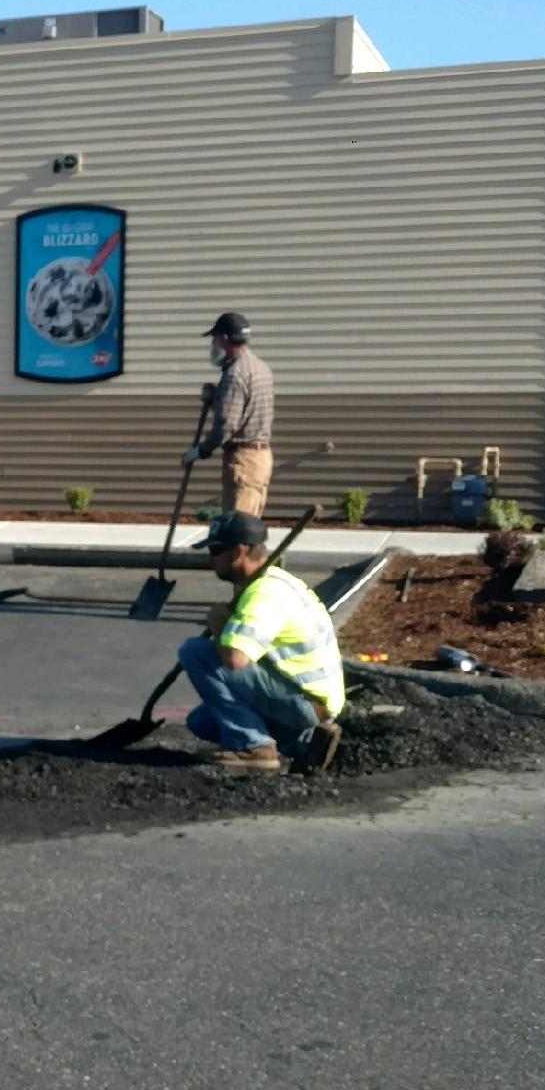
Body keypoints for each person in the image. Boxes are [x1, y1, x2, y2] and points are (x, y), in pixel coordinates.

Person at [177, 510, 344, 774]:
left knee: (195, 651)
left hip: (305, 702)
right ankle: (303, 742)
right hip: (309, 700)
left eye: (216, 550)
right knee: (202, 721)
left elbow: (236, 660)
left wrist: (219, 622)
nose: (211, 559)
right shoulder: (275, 582)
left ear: (239, 552)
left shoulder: (264, 594)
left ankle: (253, 747)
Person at [182, 312, 274, 517]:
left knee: (237, 533)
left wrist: (200, 451)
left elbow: (227, 424)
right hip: (261, 458)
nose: (213, 345)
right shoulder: (260, 368)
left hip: (243, 461)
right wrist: (216, 397)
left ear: (224, 339)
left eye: (214, 339)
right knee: (249, 529)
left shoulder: (235, 374)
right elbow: (244, 411)